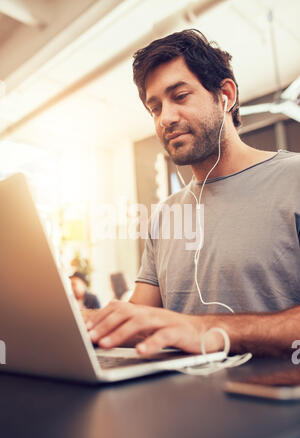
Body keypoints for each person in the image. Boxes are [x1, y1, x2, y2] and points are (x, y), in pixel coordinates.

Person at [85, 29, 300, 358]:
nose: (165, 119)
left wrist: (211, 330)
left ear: (225, 95)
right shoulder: (165, 216)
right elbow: (139, 321)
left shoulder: (294, 178)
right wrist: (87, 324)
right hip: (177, 404)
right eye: (154, 108)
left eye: (180, 96)